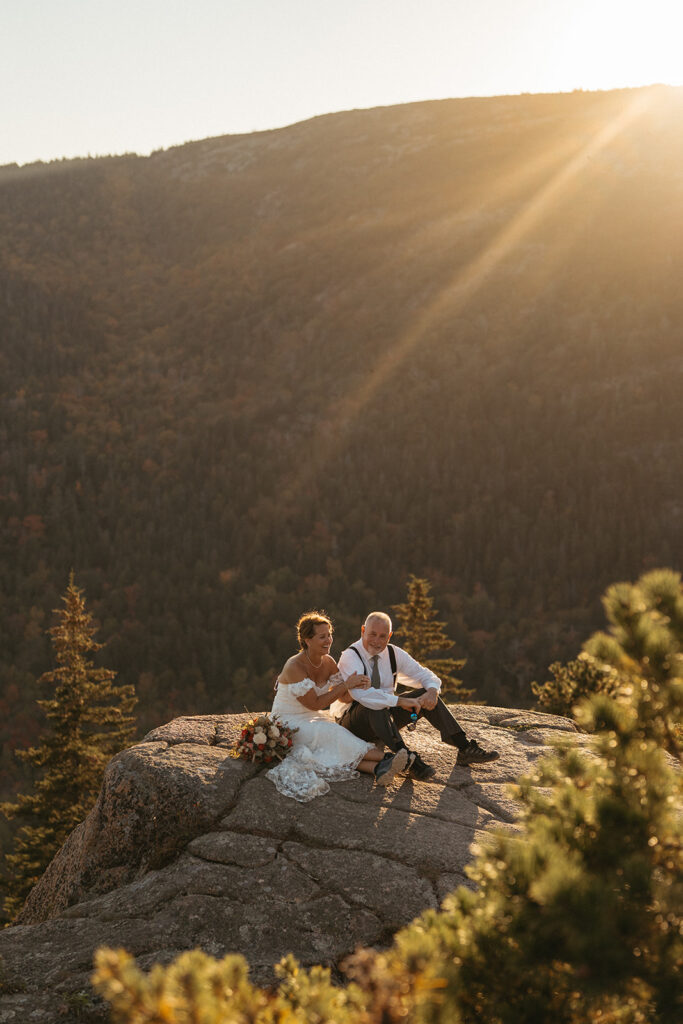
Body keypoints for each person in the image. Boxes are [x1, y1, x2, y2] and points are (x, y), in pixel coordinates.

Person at [336, 612, 499, 780]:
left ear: (389, 636)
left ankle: (464, 747)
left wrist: (432, 691)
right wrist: (400, 701)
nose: (377, 641)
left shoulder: (393, 653)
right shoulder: (351, 656)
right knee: (374, 705)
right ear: (363, 630)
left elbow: (426, 675)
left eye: (382, 636)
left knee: (423, 692)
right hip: (353, 724)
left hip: (385, 719)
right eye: (372, 634)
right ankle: (408, 759)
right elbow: (362, 695)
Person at [266, 611, 409, 801]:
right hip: (287, 721)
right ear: (307, 640)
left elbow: (343, 698)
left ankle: (378, 768)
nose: (328, 640)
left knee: (334, 744)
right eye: (322, 637)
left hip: (312, 718)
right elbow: (315, 703)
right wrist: (346, 684)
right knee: (333, 735)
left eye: (330, 635)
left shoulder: (328, 662)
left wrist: (359, 687)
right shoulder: (294, 666)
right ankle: (388, 759)